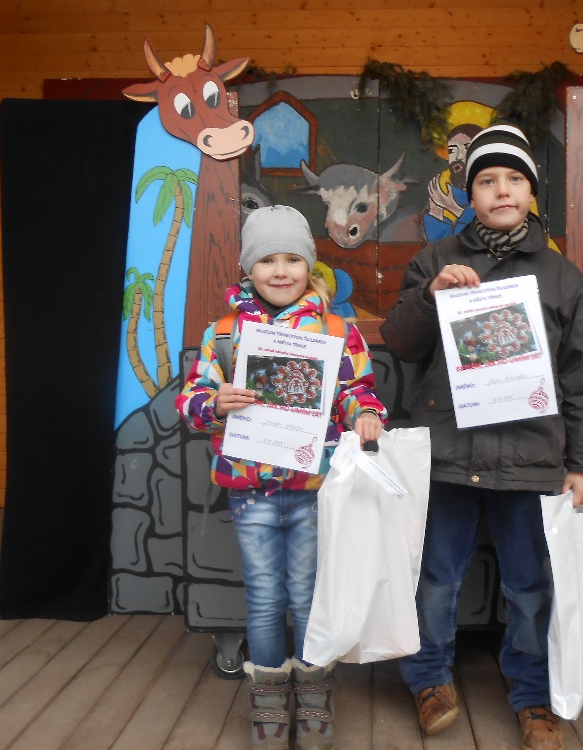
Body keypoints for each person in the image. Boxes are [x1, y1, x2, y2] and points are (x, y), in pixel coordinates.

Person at [380, 124, 583, 750]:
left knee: (530, 585)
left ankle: (533, 696)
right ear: (469, 193)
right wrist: (431, 296)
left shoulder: (563, 277)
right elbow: (401, 344)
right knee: (436, 578)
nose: (501, 190)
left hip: (533, 457)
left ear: (531, 192)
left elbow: (582, 378)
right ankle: (429, 679)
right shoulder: (434, 260)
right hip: (449, 454)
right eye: (486, 180)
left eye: (514, 179)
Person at [177, 204, 387, 750]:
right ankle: (269, 697)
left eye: (292, 258)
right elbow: (192, 399)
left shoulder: (337, 330)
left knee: (309, 597)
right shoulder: (224, 333)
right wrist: (214, 404)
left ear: (309, 265)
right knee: (266, 596)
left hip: (314, 491)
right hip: (251, 494)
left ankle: (314, 692)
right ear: (247, 268)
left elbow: (356, 391)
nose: (280, 270)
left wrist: (366, 415)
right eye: (267, 259)